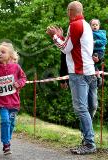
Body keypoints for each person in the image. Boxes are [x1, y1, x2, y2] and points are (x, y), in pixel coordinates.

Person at [46, 1, 97, 155]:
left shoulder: (74, 25)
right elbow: (73, 45)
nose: (67, 13)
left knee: (81, 108)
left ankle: (89, 143)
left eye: (68, 11)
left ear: (71, 11)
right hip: (90, 71)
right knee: (88, 108)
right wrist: (62, 37)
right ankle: (88, 140)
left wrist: (55, 36)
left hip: (79, 72)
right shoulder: (86, 24)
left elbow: (65, 48)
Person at [0, 42, 27, 155]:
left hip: (13, 102)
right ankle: (6, 143)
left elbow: (23, 77)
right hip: (1, 101)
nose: (0, 54)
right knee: (5, 121)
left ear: (10, 55)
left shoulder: (16, 67)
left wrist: (19, 83)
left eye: (3, 52)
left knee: (11, 123)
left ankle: (7, 139)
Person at [90, 19, 107, 87]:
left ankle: (97, 77)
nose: (95, 26)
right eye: (93, 25)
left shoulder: (101, 33)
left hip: (99, 51)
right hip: (92, 50)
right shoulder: (89, 33)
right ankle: (98, 77)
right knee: (92, 64)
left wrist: (96, 42)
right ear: (90, 26)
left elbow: (104, 42)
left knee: (95, 59)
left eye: (96, 25)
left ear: (99, 26)